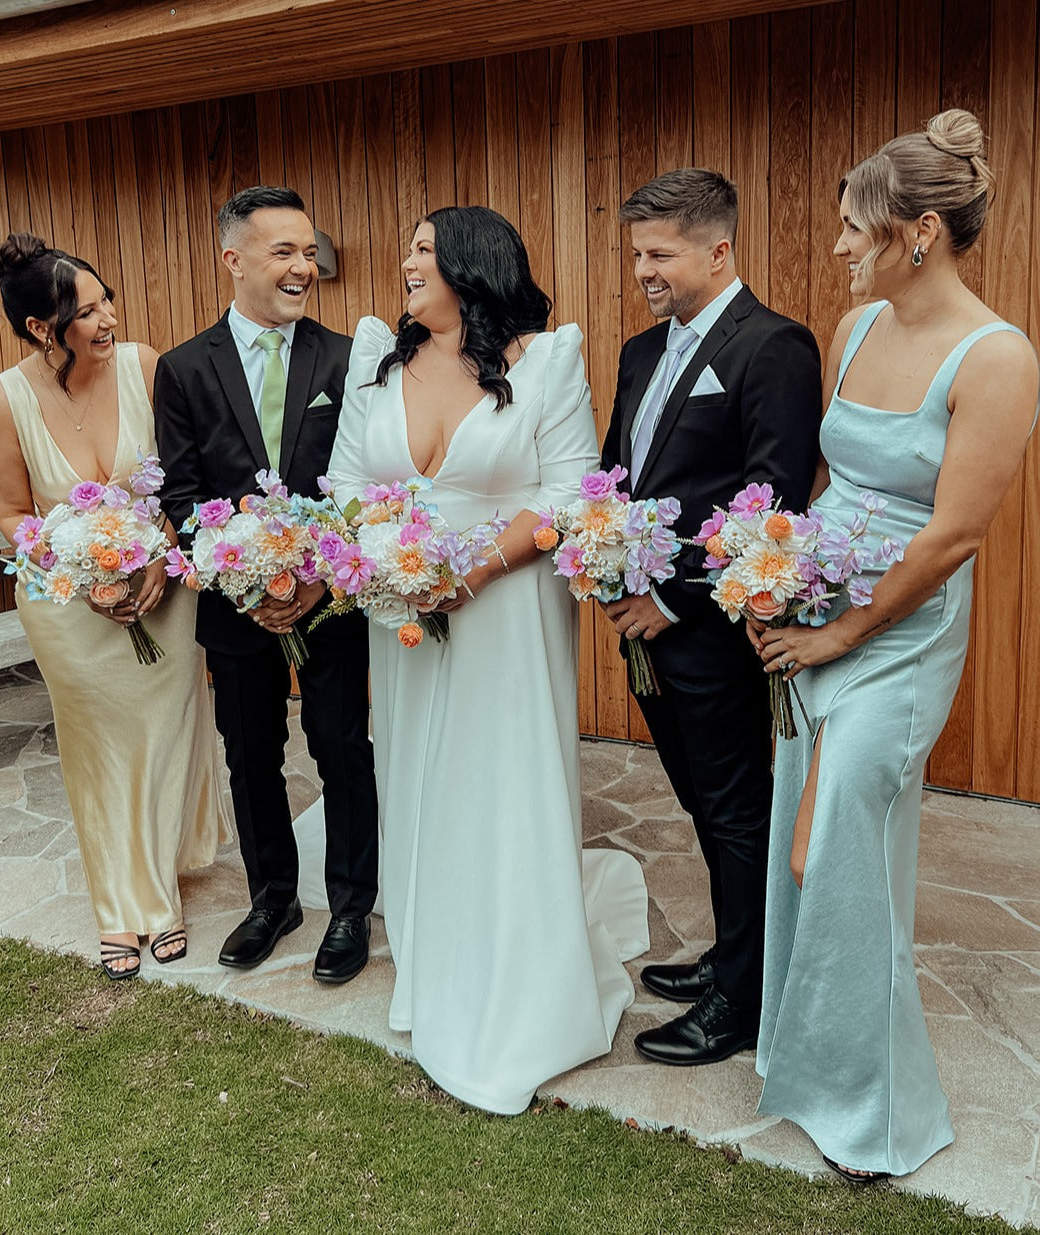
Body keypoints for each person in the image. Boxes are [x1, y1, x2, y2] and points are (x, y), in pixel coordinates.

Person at [751, 110, 1038, 1182]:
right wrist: (773, 580)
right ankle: (803, 1055)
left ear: (918, 231)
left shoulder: (997, 356)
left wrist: (842, 631)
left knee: (844, 850)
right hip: (813, 608)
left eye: (851, 229)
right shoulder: (853, 328)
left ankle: (873, 1110)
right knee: (801, 835)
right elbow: (835, 483)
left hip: (899, 632)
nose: (836, 247)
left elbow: (956, 533)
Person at [323, 205, 649, 1113]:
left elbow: (568, 490)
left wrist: (471, 570)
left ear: (474, 264)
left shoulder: (545, 362)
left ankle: (518, 984)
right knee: (422, 774)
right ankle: (433, 963)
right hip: (409, 617)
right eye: (408, 245)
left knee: (500, 779)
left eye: (424, 248)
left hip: (507, 608)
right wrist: (392, 557)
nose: (405, 259)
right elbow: (347, 483)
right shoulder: (378, 360)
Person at [599, 170, 822, 1066]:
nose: (644, 271)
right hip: (638, 621)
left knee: (735, 808)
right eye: (638, 254)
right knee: (700, 798)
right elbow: (620, 479)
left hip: (712, 630)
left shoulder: (774, 346)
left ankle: (744, 999)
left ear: (719, 249)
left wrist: (669, 594)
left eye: (661, 254)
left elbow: (772, 501)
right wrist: (604, 563)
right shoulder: (641, 353)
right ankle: (740, 954)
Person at [0, 233, 229, 980]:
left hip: (161, 589)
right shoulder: (4, 398)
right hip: (68, 606)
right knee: (99, 751)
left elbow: (181, 476)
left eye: (105, 299)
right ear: (40, 329)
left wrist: (159, 553)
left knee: (165, 733)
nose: (108, 317)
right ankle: (128, 908)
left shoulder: (145, 367)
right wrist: (79, 571)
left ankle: (156, 873)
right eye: (86, 312)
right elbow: (13, 512)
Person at [155, 187, 379, 981]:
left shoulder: (349, 359)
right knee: (250, 753)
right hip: (234, 606)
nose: (303, 267)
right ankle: (272, 897)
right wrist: (242, 577)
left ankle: (351, 906)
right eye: (283, 251)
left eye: (309, 252)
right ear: (234, 259)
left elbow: (363, 485)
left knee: (342, 745)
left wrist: (318, 575)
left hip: (329, 602)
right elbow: (179, 496)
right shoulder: (182, 369)